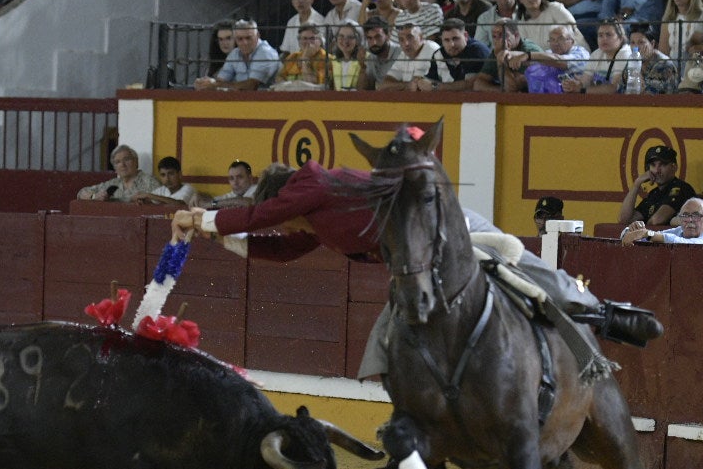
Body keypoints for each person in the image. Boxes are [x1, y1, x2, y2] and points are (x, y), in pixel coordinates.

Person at [169, 153, 663, 367]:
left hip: (441, 227)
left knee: (519, 268)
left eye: (283, 214)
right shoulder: (315, 221)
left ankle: (605, 313)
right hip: (418, 264)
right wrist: (215, 237)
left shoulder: (313, 184)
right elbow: (277, 249)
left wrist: (202, 218)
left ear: (287, 200)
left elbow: (261, 217)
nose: (284, 223)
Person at [618, 144, 694, 229]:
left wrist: (643, 227)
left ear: (674, 167)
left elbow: (657, 220)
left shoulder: (681, 188)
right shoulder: (654, 194)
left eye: (663, 164)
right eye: (653, 165)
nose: (657, 170)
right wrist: (636, 184)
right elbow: (624, 220)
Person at [194, 18, 278, 90]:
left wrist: (215, 85)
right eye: (240, 39)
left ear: (258, 36)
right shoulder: (235, 53)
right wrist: (206, 83)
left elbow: (251, 86)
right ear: (235, 39)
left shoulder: (265, 52)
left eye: (248, 38)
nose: (244, 42)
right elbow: (221, 80)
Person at [620, 197, 703, 244]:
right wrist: (631, 231)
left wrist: (648, 234)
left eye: (696, 215)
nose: (690, 220)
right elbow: (649, 236)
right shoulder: (680, 231)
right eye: (685, 215)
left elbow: (692, 245)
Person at [134, 156, 203, 207]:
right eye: (163, 175)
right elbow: (149, 200)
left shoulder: (188, 188)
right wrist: (142, 200)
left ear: (179, 174)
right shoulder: (161, 190)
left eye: (171, 174)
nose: (167, 179)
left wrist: (149, 195)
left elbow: (180, 204)